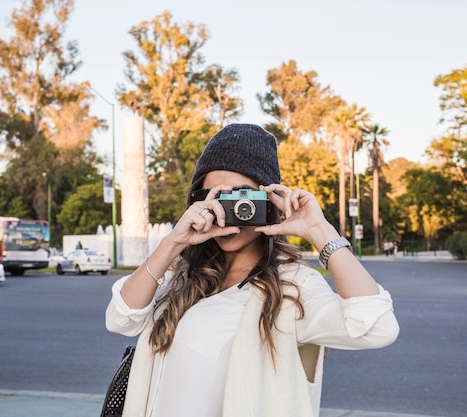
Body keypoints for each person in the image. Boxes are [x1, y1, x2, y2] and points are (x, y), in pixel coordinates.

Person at [105, 123, 399, 417]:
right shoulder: (183, 274)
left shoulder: (291, 287)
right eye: (217, 197)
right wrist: (172, 243)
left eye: (242, 198)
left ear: (269, 202)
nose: (229, 212)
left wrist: (320, 231)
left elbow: (377, 328)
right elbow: (121, 319)